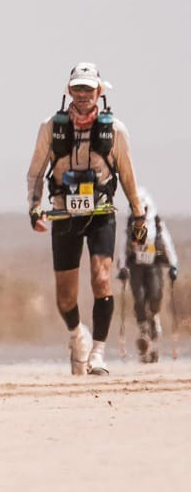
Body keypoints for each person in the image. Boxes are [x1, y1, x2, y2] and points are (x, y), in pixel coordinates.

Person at [26, 62, 146, 375]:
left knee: (101, 278)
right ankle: (77, 335)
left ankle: (98, 353)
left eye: (88, 89)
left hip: (101, 213)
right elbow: (36, 171)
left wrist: (138, 213)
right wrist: (34, 206)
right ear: (69, 91)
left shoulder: (115, 130)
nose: (83, 95)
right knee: (65, 297)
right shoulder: (51, 127)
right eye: (77, 88)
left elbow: (128, 175)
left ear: (99, 91)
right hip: (64, 212)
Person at [116, 188, 179, 362]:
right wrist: (121, 267)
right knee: (139, 297)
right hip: (136, 265)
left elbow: (167, 242)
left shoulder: (157, 224)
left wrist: (173, 264)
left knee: (156, 294)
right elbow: (123, 245)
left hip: (153, 265)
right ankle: (143, 327)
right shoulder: (130, 224)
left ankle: (154, 317)